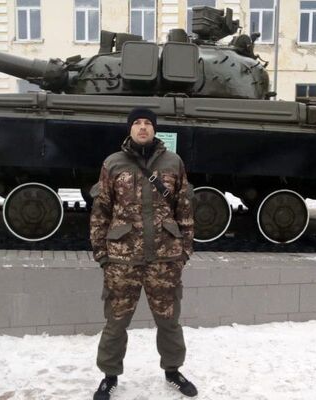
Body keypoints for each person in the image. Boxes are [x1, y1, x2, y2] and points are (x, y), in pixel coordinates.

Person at [90, 108, 197, 399]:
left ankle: (173, 371)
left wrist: (184, 250)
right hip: (122, 259)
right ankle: (109, 376)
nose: (142, 127)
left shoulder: (173, 163)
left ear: (154, 129)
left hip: (165, 259)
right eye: (137, 123)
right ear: (130, 129)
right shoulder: (113, 163)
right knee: (116, 323)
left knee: (169, 321)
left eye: (147, 123)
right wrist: (102, 254)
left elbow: (184, 208)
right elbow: (101, 211)